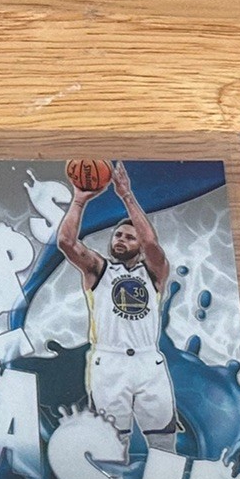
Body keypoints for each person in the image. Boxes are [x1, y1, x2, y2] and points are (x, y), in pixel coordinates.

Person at [56, 161, 175, 447]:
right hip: (109, 362)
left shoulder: (155, 271)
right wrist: (79, 201)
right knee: (112, 444)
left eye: (129, 237)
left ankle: (168, 478)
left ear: (139, 246)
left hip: (149, 361)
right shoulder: (99, 270)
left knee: (164, 443)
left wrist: (127, 196)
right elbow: (66, 242)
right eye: (118, 235)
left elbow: (151, 244)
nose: (121, 239)